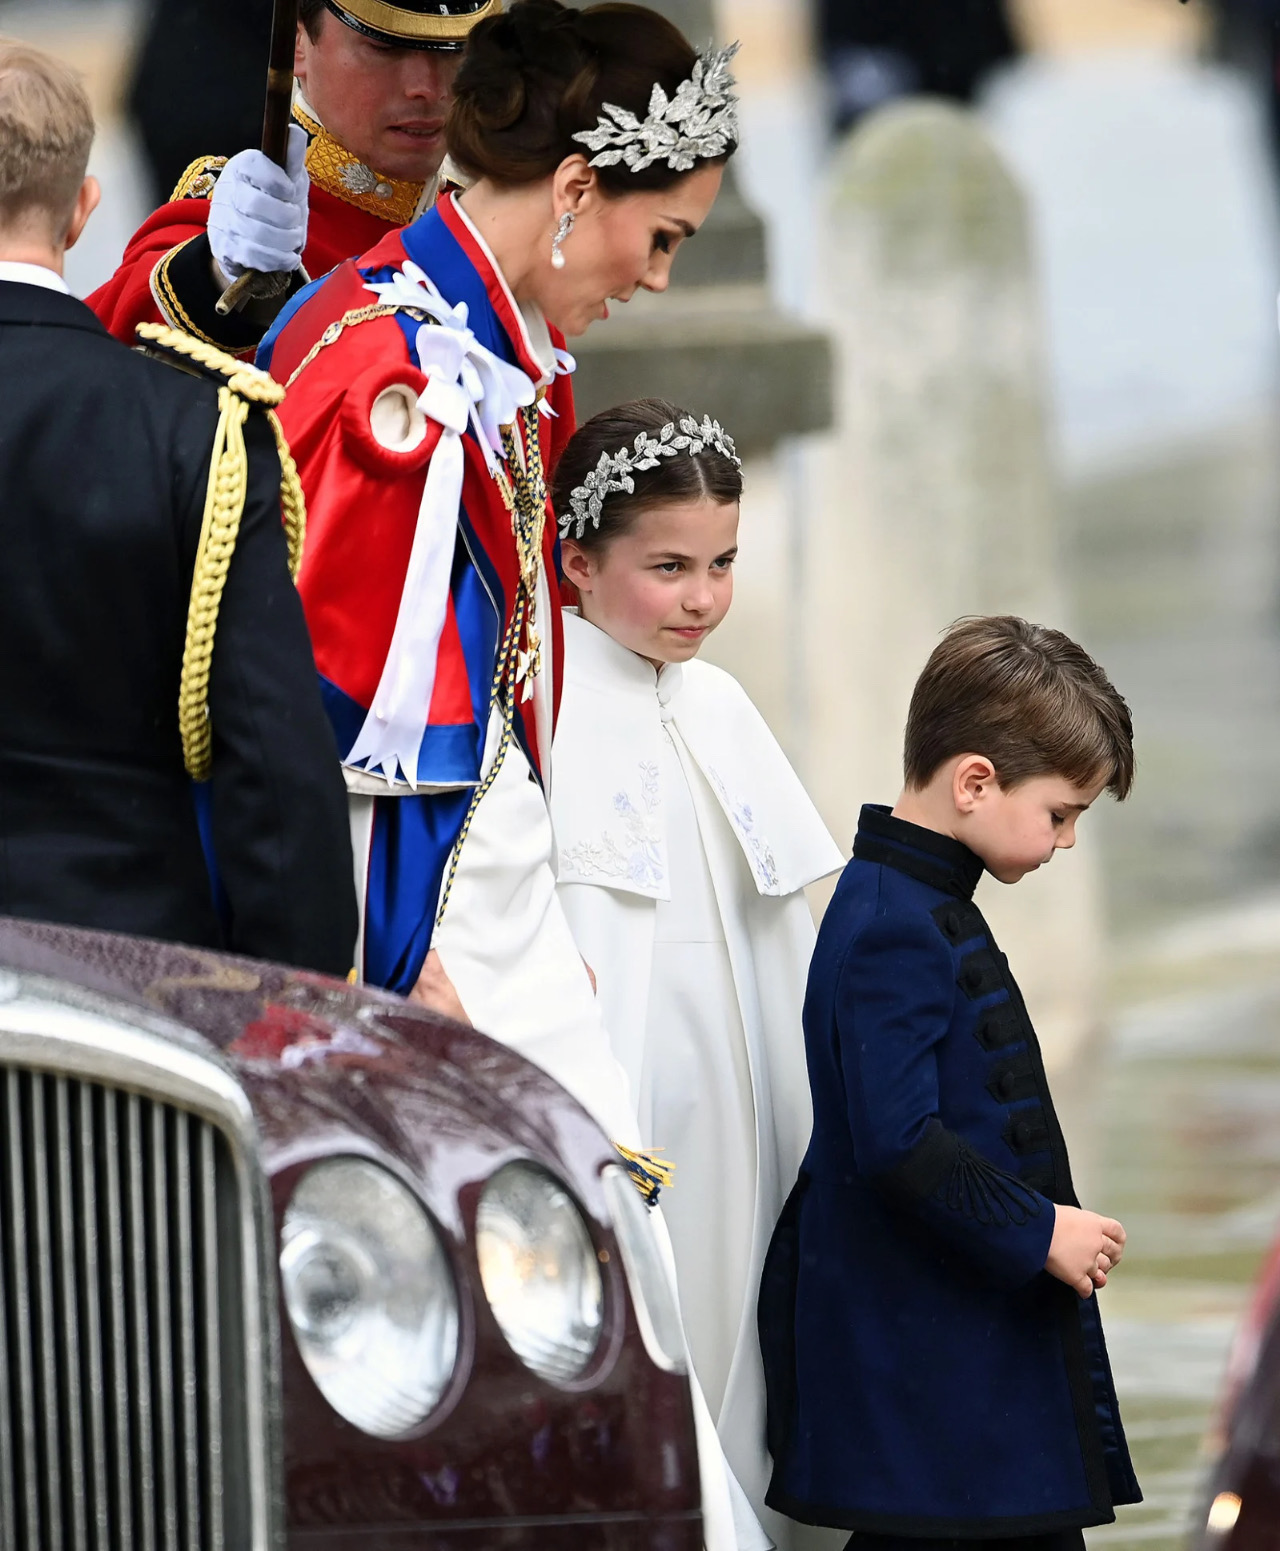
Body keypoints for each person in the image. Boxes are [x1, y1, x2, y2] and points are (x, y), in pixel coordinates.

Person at [256, 0, 736, 1132]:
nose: (658, 280)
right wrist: (384, 967)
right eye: (661, 238)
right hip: (423, 913)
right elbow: (328, 737)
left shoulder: (480, 349)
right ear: (575, 189)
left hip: (489, 882)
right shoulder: (405, 382)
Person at [758, 616, 1143, 1550]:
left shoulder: (915, 898)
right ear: (975, 782)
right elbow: (899, 1141)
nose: (1067, 841)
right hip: (927, 1354)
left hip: (950, 1349)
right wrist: (1040, 1228)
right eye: (1060, 813)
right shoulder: (894, 921)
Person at [549, 398, 844, 1544]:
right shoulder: (540, 704)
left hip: (756, 1097)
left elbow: (782, 925)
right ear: (578, 562)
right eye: (667, 567)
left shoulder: (719, 702)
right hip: (636, 1093)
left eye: (721, 564)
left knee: (762, 1321)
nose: (702, 599)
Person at [0, 40, 356, 977]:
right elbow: (273, 764)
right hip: (124, 969)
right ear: (84, 207)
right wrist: (295, 995)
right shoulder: (198, 429)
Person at [90, 0, 495, 355]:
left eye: (453, 48)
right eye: (385, 48)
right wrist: (217, 277)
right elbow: (100, 352)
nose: (428, 88)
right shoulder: (233, 221)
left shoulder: (489, 228)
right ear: (298, 44)